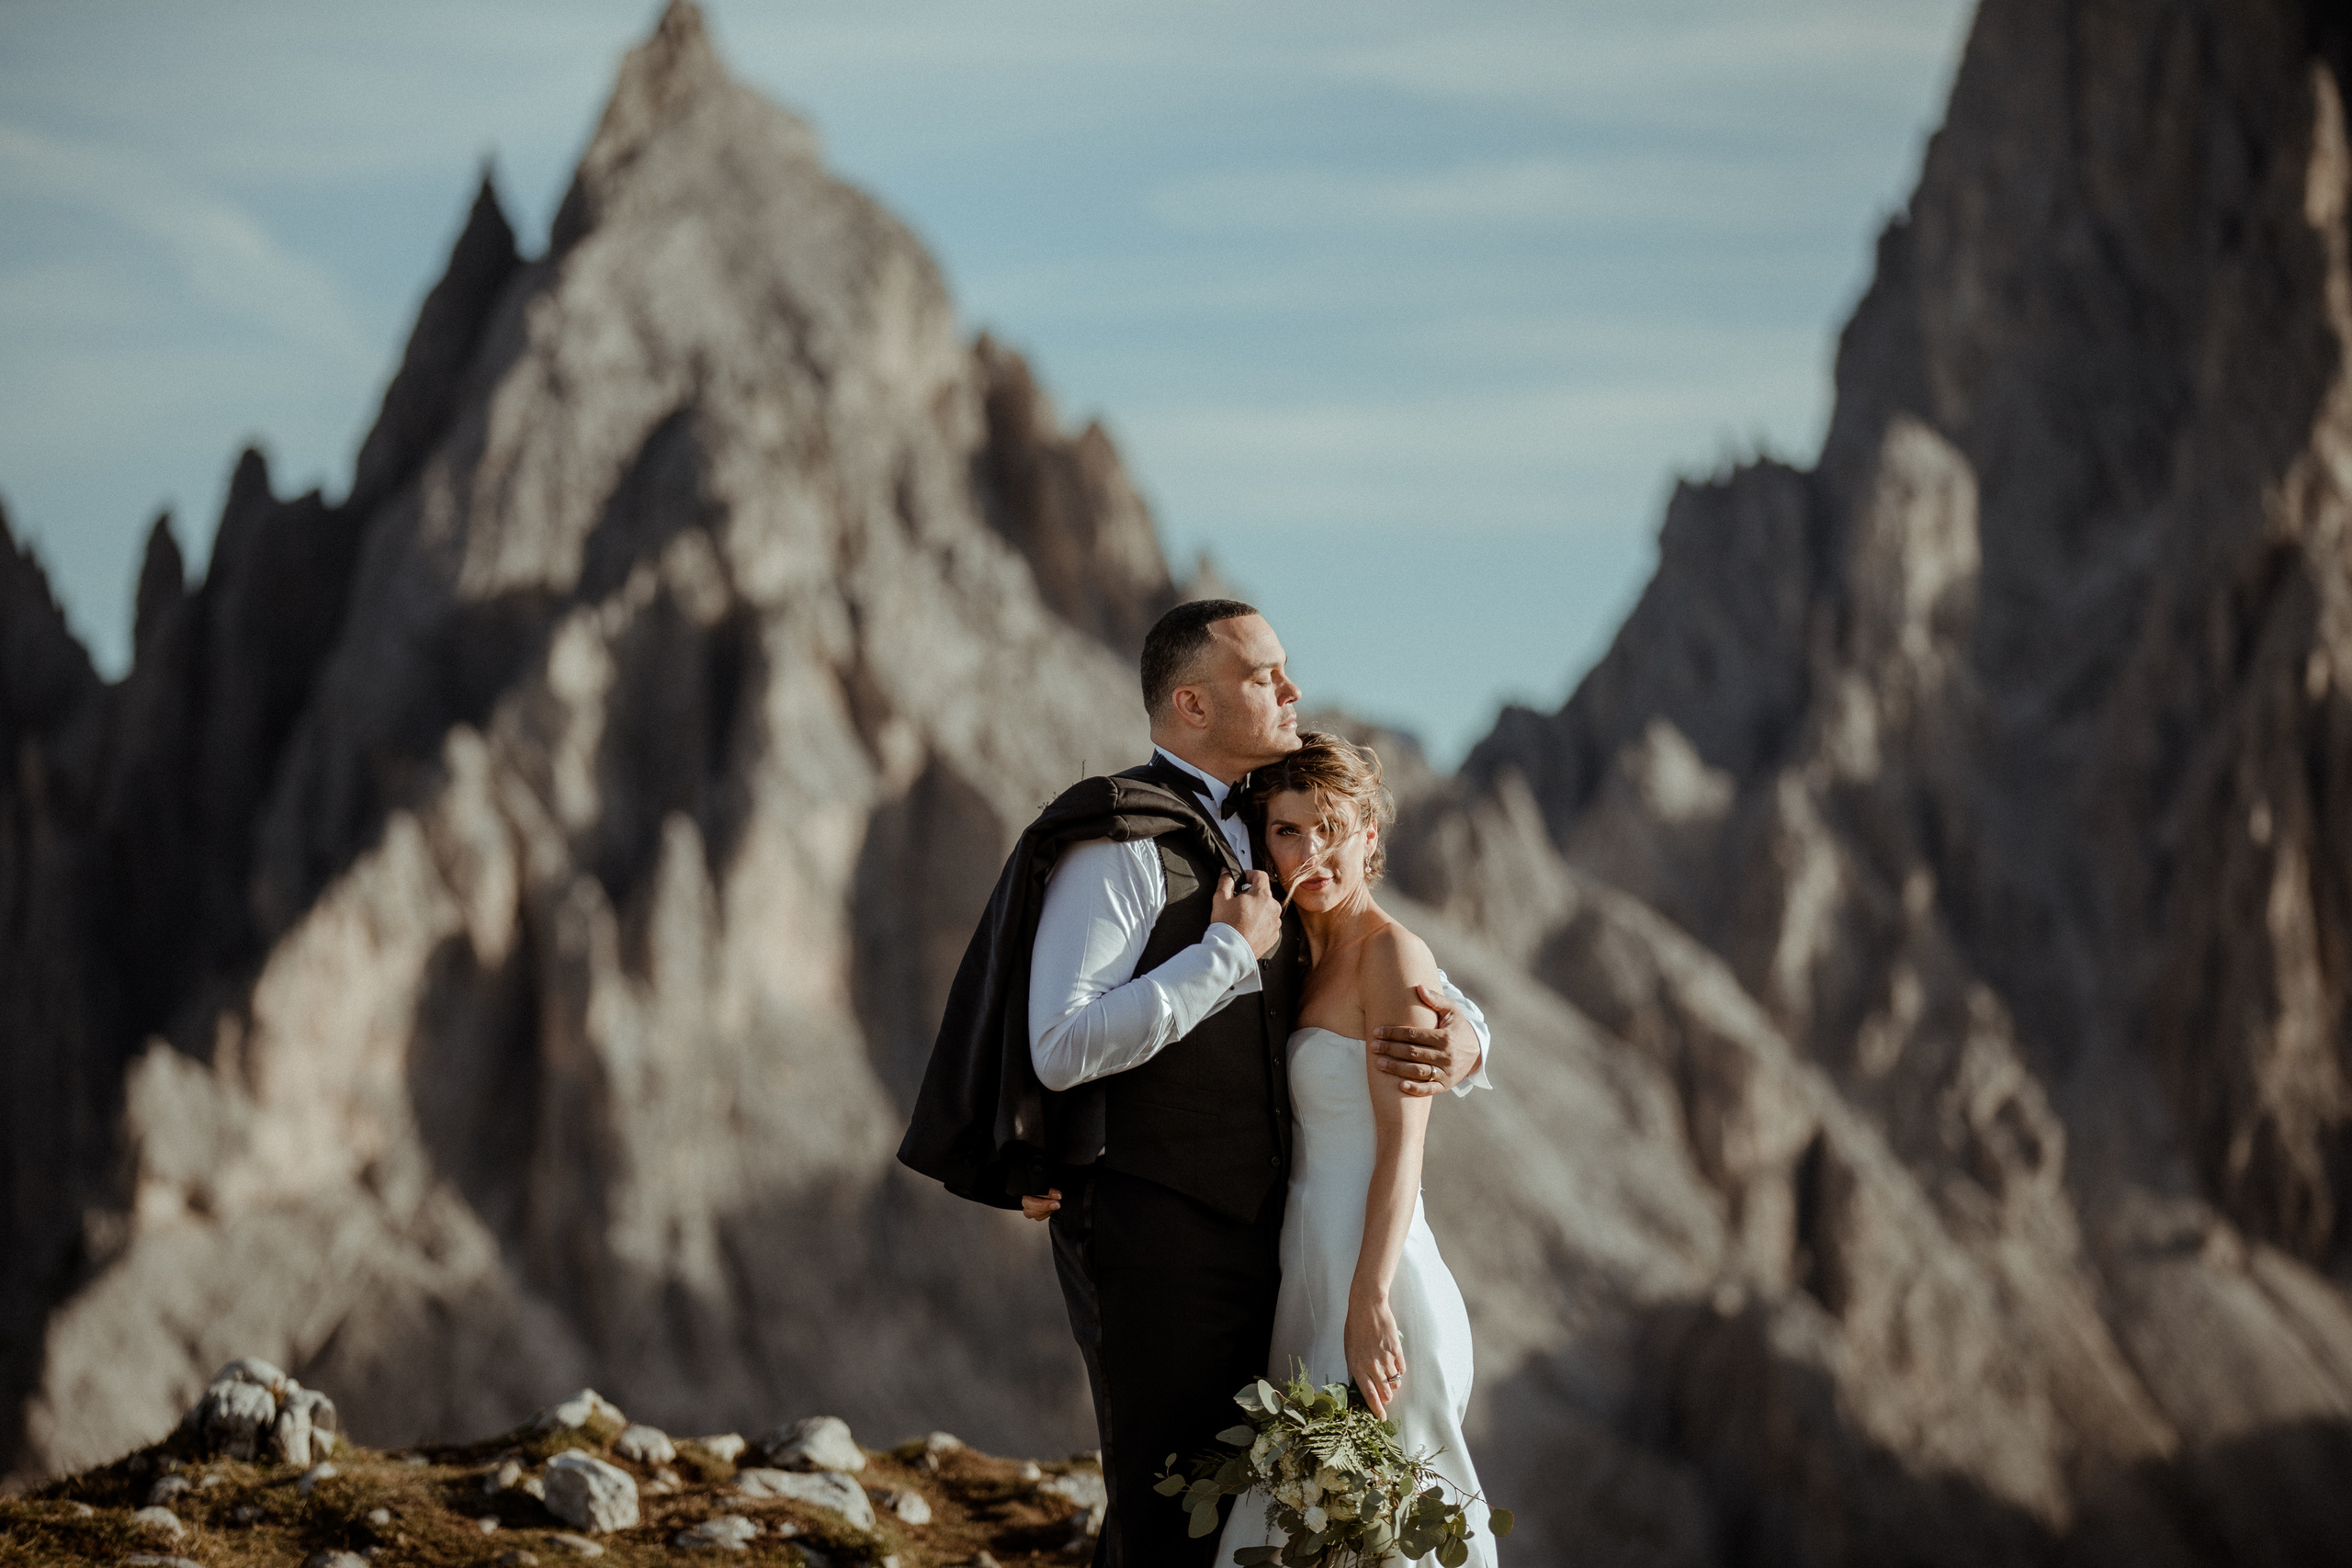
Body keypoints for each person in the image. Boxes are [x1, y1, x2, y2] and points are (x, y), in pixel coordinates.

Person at [898, 598, 1491, 1568]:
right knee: (1166, 1507)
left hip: (1279, 1248)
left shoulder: (1273, 828)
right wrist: (1222, 955)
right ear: (1193, 705)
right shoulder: (1120, 843)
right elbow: (1059, 1043)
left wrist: (1468, 1036)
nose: (1292, 688)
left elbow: (1373, 956)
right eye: (1264, 675)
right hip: (1154, 1237)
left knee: (1256, 1515)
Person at [1214, 734, 1496, 1566]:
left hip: (1378, 1282)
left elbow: (1405, 1147)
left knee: (1392, 1532)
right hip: (1307, 1277)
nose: (1311, 853)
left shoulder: (1390, 953)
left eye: (1331, 829)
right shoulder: (1297, 953)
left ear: (1369, 834)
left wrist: (1369, 1297)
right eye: (1287, 831)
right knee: (1297, 1527)